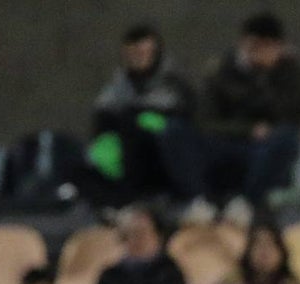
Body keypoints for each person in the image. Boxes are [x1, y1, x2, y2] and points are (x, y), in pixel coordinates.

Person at [197, 11, 300, 222]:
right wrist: (249, 130)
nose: (262, 53)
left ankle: (246, 204)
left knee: (286, 138)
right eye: (256, 46)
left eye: (269, 47)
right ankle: (219, 200)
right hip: (233, 149)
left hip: (272, 155)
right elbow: (205, 122)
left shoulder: (296, 77)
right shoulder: (221, 74)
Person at [82, 23, 209, 215]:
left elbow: (184, 116)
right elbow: (103, 115)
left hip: (162, 155)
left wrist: (143, 118)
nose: (137, 59)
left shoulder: (173, 82)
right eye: (132, 54)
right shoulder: (119, 85)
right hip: (128, 155)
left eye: (142, 53)